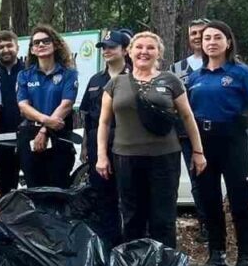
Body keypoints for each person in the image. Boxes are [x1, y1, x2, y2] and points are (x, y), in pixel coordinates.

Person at [95, 32, 205, 250]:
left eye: (150, 48)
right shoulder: (115, 83)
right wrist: (101, 155)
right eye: (139, 47)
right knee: (132, 215)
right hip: (126, 158)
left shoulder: (170, 81)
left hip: (164, 158)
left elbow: (187, 116)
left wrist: (198, 152)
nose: (144, 52)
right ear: (130, 51)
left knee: (163, 217)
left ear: (159, 54)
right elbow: (104, 122)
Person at [186, 20, 248, 266]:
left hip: (233, 140)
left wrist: (240, 129)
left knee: (240, 201)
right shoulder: (195, 77)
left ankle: (244, 260)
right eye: (207, 38)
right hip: (203, 143)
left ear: (228, 42)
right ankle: (216, 256)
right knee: (209, 201)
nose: (211, 42)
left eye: (217, 37)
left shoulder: (241, 73)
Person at [80, 29, 131, 244]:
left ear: (125, 50)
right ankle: (108, 243)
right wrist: (85, 147)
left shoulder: (134, 76)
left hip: (127, 140)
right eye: (104, 48)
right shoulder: (95, 79)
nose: (107, 51)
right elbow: (87, 118)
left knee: (129, 194)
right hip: (97, 143)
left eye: (112, 47)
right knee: (102, 194)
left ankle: (131, 242)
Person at [16, 25, 79, 189]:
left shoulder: (69, 74)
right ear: (32, 49)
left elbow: (66, 105)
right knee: (33, 187)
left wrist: (45, 129)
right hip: (29, 135)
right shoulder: (24, 75)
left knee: (58, 187)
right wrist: (45, 121)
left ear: (56, 44)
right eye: (36, 43)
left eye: (46, 41)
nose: (41, 45)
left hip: (59, 136)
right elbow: (23, 106)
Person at [172, 17, 210, 238]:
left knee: (216, 178)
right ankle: (204, 224)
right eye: (193, 33)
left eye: (201, 32)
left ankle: (219, 223)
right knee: (198, 180)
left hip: (215, 132)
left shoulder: (221, 63)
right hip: (186, 134)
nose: (197, 37)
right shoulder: (177, 68)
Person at [0, 31, 24, 196]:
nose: (5, 50)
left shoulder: (29, 72)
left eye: (9, 45)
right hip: (3, 143)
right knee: (7, 193)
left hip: (29, 141)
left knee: (35, 190)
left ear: (17, 47)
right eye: (0, 47)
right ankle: (8, 221)